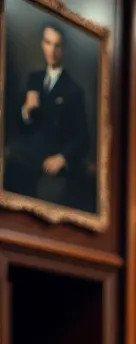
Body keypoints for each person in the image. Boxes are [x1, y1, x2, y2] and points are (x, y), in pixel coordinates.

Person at [3, 23, 91, 209]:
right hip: (28, 158)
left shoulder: (73, 90)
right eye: (48, 43)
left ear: (64, 49)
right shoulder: (33, 78)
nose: (52, 50)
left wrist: (62, 158)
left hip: (51, 165)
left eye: (57, 45)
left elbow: (82, 137)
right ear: (42, 44)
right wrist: (26, 110)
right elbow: (19, 126)